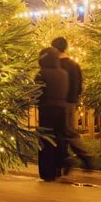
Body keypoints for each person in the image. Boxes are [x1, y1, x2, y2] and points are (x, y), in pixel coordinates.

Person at [52, 36, 94, 173]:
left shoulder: (57, 65)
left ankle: (81, 157)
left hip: (61, 102)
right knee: (65, 130)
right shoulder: (74, 65)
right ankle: (66, 160)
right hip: (72, 101)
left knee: (65, 131)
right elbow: (79, 84)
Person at [33, 47, 70, 182]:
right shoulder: (64, 73)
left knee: (46, 140)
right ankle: (58, 167)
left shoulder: (42, 74)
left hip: (47, 109)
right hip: (61, 108)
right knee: (59, 138)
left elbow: (36, 92)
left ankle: (47, 171)